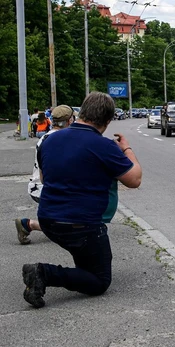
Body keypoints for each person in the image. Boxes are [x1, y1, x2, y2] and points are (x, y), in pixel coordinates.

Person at [21, 92, 142, 309]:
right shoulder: (104, 146)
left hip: (47, 220)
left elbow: (43, 178)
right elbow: (134, 179)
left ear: (81, 113)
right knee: (99, 282)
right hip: (81, 227)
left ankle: (70, 270)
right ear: (107, 121)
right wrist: (126, 149)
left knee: (87, 265)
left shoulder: (49, 140)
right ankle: (43, 273)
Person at [15, 105, 76, 245]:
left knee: (69, 222)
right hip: (45, 188)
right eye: (73, 118)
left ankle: (30, 225)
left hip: (39, 185)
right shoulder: (59, 140)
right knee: (71, 224)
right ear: (69, 121)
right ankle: (29, 225)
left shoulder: (48, 137)